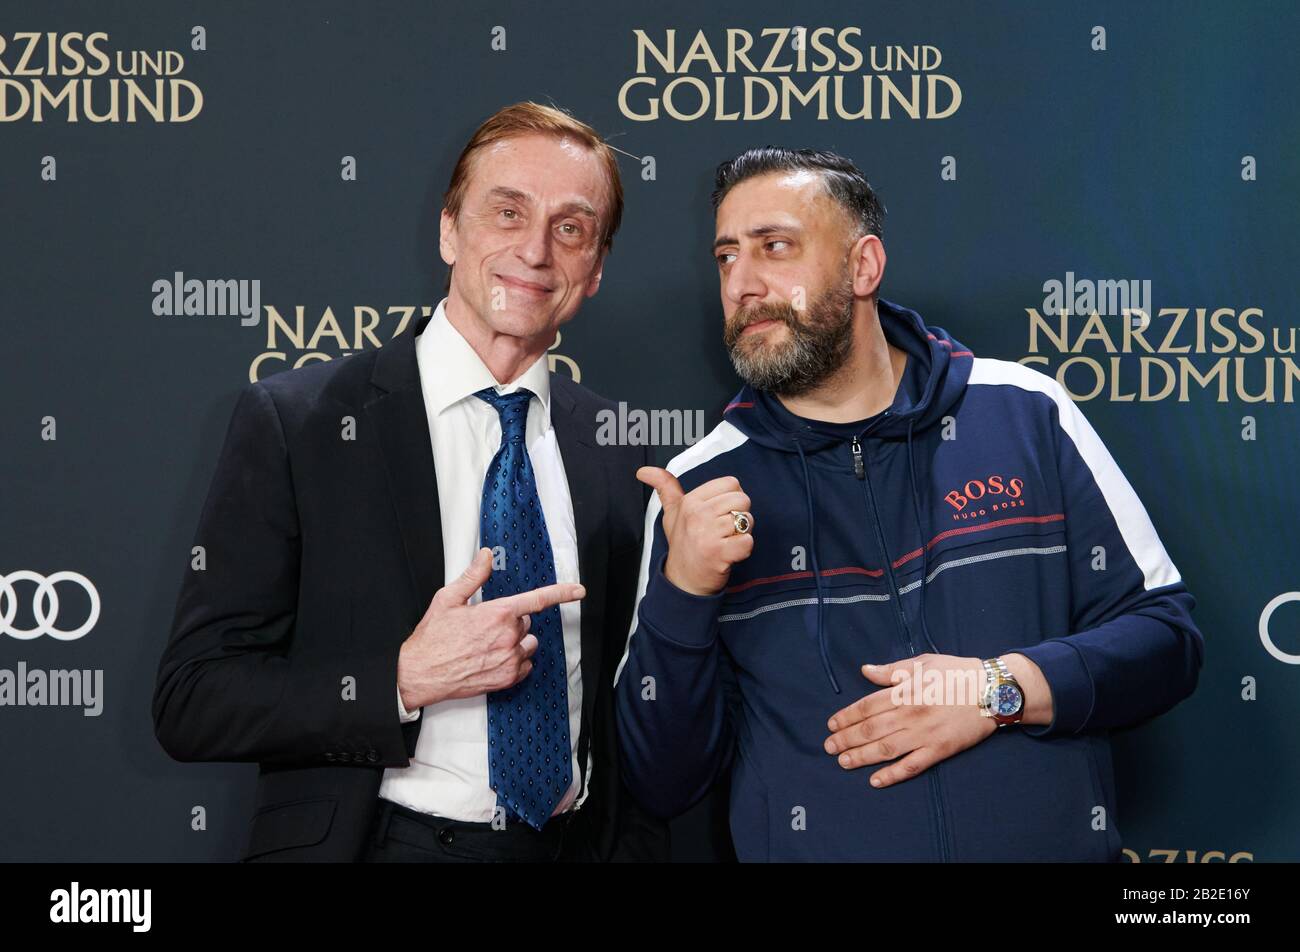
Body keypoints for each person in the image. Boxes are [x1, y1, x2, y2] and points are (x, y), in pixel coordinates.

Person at [614, 147, 1204, 861]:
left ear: (863, 266)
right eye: (726, 257)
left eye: (775, 248)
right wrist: (686, 592)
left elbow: (1165, 642)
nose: (742, 283)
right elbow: (661, 781)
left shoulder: (1024, 412)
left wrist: (998, 689)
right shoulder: (697, 485)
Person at [154, 101, 666, 863]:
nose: (534, 251)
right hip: (380, 843)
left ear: (593, 270)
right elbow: (194, 700)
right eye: (507, 212)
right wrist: (400, 678)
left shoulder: (627, 454)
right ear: (449, 230)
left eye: (570, 228)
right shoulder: (301, 422)